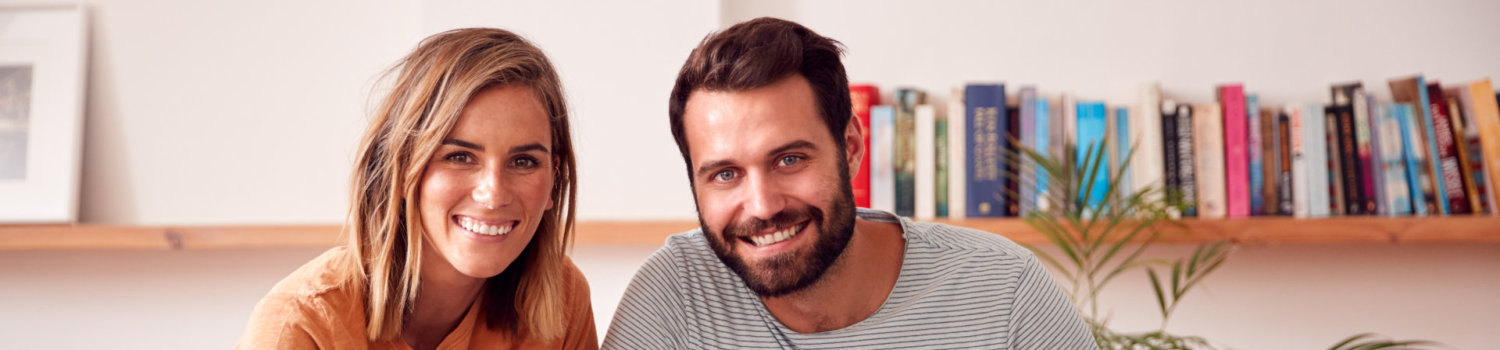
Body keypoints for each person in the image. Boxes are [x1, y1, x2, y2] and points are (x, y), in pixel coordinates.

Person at [602, 18, 1096, 349]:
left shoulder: (1003, 289)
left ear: (852, 146)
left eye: (789, 159)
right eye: (725, 174)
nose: (762, 205)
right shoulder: (675, 295)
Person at [238, 28, 597, 350]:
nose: (493, 194)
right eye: (459, 157)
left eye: (523, 161)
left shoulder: (563, 298)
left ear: (554, 177)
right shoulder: (301, 323)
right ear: (401, 169)